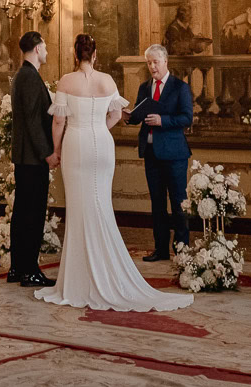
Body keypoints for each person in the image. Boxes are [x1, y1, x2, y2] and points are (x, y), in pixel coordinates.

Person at [36, 35, 193, 312]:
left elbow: (59, 120)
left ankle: (78, 277)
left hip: (76, 143)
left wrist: (57, 150)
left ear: (76, 55)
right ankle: (107, 269)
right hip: (101, 145)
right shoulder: (107, 80)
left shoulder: (66, 81)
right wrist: (98, 129)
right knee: (100, 203)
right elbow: (116, 115)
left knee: (78, 206)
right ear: (95, 55)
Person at [126, 43, 194, 262]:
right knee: (157, 204)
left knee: (178, 203)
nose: (152, 66)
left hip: (174, 154)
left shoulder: (179, 87)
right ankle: (161, 250)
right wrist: (129, 116)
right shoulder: (144, 87)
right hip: (151, 153)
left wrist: (162, 121)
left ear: (166, 61)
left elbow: (187, 118)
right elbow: (139, 113)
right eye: (149, 63)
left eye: (155, 62)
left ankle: (182, 250)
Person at [7, 31, 54, 287]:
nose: (46, 51)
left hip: (25, 157)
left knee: (22, 212)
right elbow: (34, 122)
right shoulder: (30, 78)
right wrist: (48, 153)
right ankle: (29, 270)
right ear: (37, 48)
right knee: (32, 215)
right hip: (33, 159)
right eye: (44, 46)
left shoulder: (23, 76)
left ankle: (17, 268)